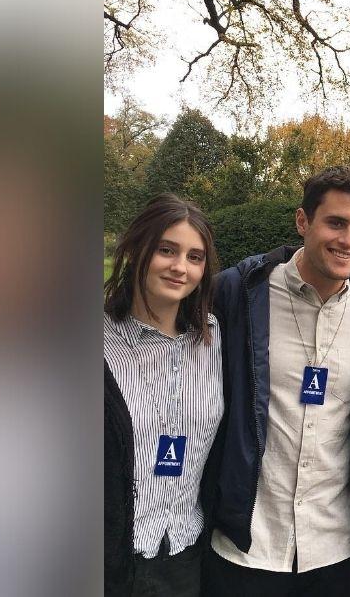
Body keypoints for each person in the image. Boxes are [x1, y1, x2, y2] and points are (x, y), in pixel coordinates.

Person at [201, 166, 350, 597]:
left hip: (332, 550)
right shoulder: (238, 294)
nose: (349, 240)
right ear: (303, 221)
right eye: (336, 223)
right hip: (245, 544)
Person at [104, 193, 225, 596]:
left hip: (186, 551)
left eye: (195, 257)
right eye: (166, 250)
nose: (180, 267)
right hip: (113, 557)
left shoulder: (213, 338)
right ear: (137, 248)